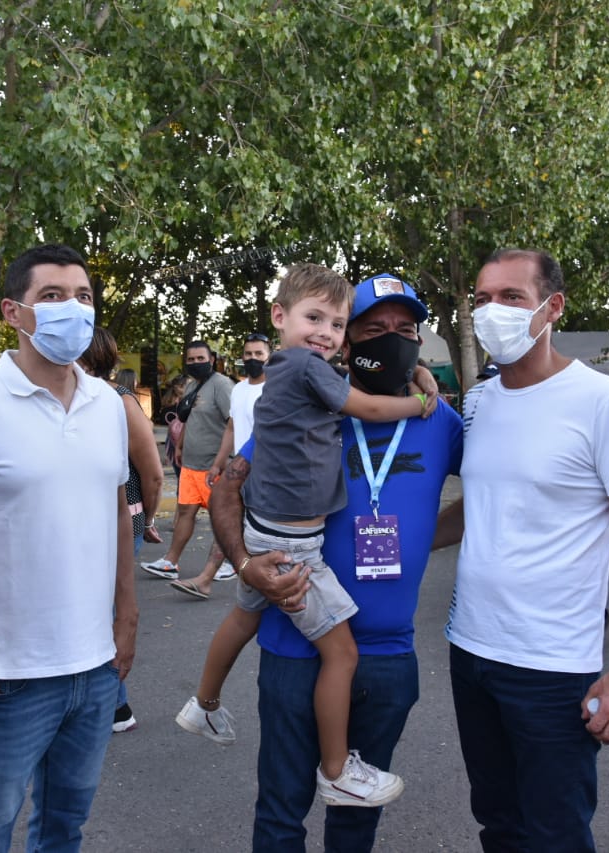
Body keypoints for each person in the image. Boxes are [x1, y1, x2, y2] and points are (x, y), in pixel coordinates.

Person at [206, 272, 463, 851]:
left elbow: (496, 493)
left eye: (406, 330)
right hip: (297, 645)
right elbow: (228, 487)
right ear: (348, 345)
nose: (393, 339)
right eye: (375, 329)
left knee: (356, 816)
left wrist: (427, 538)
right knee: (280, 810)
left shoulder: (438, 421)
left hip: (391, 655)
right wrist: (245, 563)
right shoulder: (310, 407)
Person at [446, 248, 609, 852]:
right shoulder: (479, 402)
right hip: (471, 650)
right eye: (483, 298)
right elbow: (482, 507)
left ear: (552, 307)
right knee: (498, 821)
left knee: (556, 833)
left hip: (552, 668)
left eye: (511, 298)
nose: (493, 311)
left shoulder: (604, 403)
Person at [0, 243, 137, 852]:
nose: (72, 310)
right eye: (51, 296)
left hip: (95, 667)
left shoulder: (107, 405)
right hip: (5, 678)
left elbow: (117, 509)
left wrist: (127, 614)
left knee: (64, 828)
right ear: (12, 312)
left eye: (83, 297)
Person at [78, 327, 164, 734]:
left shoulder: (119, 400)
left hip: (118, 520)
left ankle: (115, 706)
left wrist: (146, 520)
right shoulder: (57, 397)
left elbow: (152, 474)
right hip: (72, 522)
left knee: (108, 609)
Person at [141, 340, 234, 586]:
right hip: (192, 465)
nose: (195, 363)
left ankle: (228, 562)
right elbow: (189, 418)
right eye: (191, 359)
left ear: (211, 359)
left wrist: (222, 462)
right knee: (185, 513)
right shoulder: (194, 384)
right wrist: (180, 446)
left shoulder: (222, 386)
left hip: (213, 466)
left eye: (200, 359)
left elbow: (233, 425)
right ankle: (170, 562)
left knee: (221, 518)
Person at [190, 332, 272, 585]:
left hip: (267, 469)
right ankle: (207, 578)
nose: (253, 359)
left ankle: (217, 574)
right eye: (248, 354)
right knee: (228, 517)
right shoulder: (238, 389)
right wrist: (218, 463)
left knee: (241, 521)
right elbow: (231, 429)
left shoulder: (274, 389)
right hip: (239, 468)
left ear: (270, 357)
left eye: (259, 354)